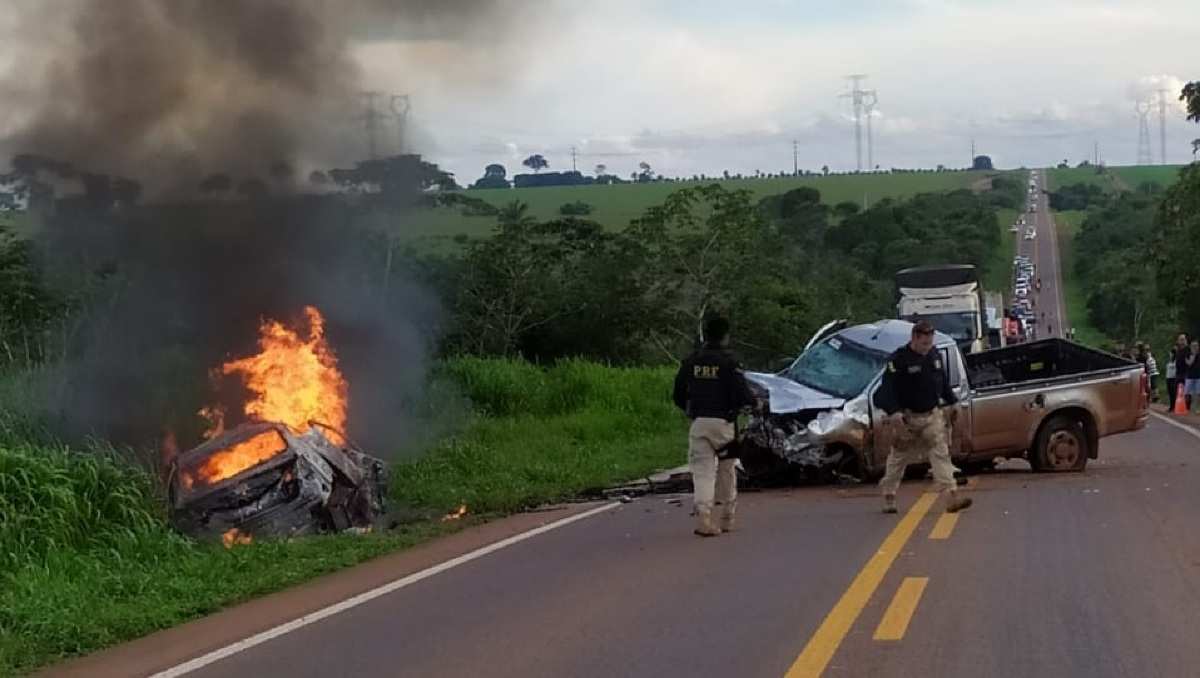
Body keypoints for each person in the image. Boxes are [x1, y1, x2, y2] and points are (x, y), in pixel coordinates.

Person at [873, 321, 973, 515]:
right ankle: (889, 495)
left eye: (930, 342)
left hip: (931, 416)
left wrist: (953, 402)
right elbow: (885, 390)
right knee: (898, 458)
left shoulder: (934, 355)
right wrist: (894, 412)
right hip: (907, 419)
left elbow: (942, 382)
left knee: (940, 454)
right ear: (914, 338)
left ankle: (951, 495)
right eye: (924, 343)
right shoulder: (899, 360)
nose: (927, 347)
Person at [673, 315, 756, 537]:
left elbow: (678, 393)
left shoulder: (691, 361)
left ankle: (704, 518)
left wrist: (690, 410)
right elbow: (743, 394)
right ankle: (727, 517)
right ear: (725, 336)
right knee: (727, 469)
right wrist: (752, 404)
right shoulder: (730, 363)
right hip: (724, 426)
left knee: (702, 472)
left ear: (705, 335)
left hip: (699, 423)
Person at [1169, 334, 1189, 411]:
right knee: (1176, 389)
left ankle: (1187, 407)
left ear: (1186, 340)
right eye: (1180, 339)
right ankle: (1176, 406)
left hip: (1186, 372)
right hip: (1178, 372)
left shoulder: (1188, 349)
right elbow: (1172, 360)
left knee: (1186, 390)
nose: (1181, 341)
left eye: (1183, 339)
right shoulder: (1178, 350)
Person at [1186, 339, 1200, 413]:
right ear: (1190, 347)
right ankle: (1188, 407)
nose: (1195, 347)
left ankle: (1197, 408)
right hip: (1190, 376)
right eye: (1193, 346)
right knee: (1187, 393)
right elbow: (1189, 363)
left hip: (1198, 376)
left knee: (1198, 393)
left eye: (1196, 346)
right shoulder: (1188, 354)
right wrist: (1193, 356)